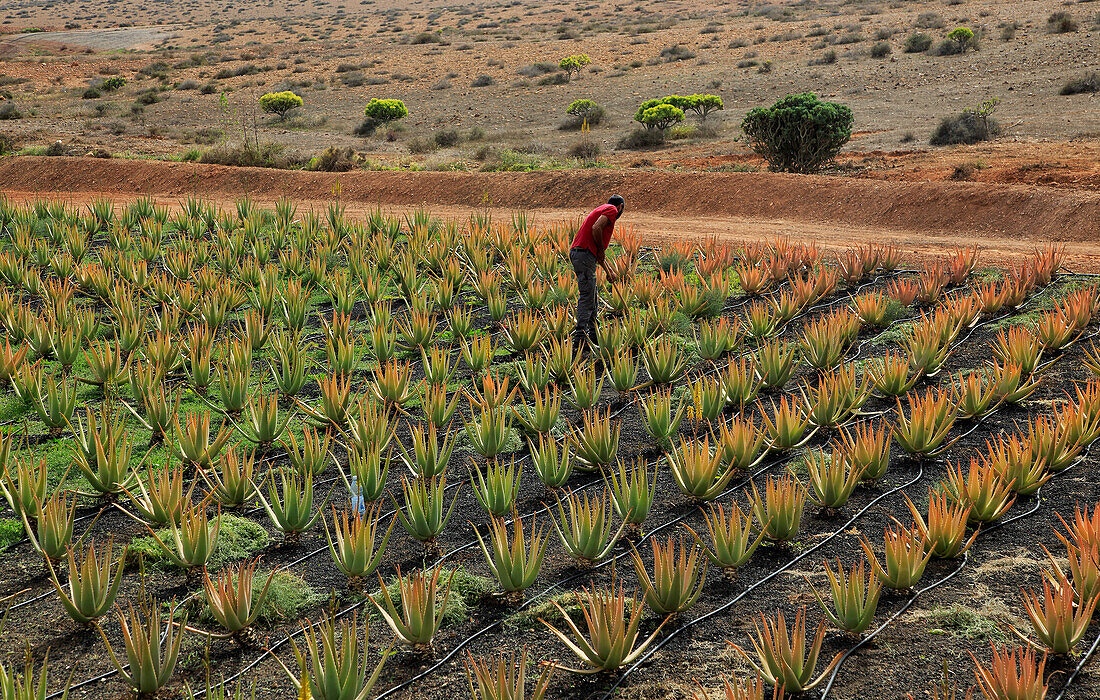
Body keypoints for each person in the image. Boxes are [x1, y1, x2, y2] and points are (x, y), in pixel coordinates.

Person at [570, 195, 624, 349]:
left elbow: (598, 256)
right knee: (587, 296)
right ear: (620, 207)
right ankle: (580, 338)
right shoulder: (612, 209)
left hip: (581, 255)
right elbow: (596, 228)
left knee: (592, 295)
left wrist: (609, 272)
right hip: (584, 255)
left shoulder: (601, 209)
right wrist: (601, 249)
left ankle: (594, 335)